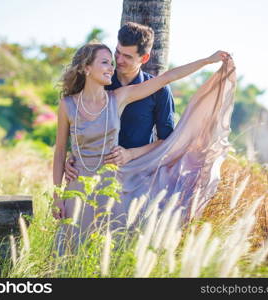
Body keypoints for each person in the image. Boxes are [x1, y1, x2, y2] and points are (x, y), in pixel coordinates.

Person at [52, 41, 236, 255]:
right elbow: (59, 151)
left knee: (107, 253)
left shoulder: (118, 98)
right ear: (86, 68)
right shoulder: (68, 104)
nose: (112, 67)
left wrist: (207, 60)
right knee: (69, 253)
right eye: (105, 62)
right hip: (77, 186)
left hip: (111, 187)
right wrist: (57, 196)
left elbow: (167, 78)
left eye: (111, 63)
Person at [64, 22, 175, 182]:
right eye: (118, 52)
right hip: (93, 177)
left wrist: (130, 154)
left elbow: (167, 142)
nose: (119, 60)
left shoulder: (160, 91)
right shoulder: (98, 81)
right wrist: (73, 156)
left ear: (144, 58)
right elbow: (77, 123)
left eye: (128, 56)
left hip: (138, 178)